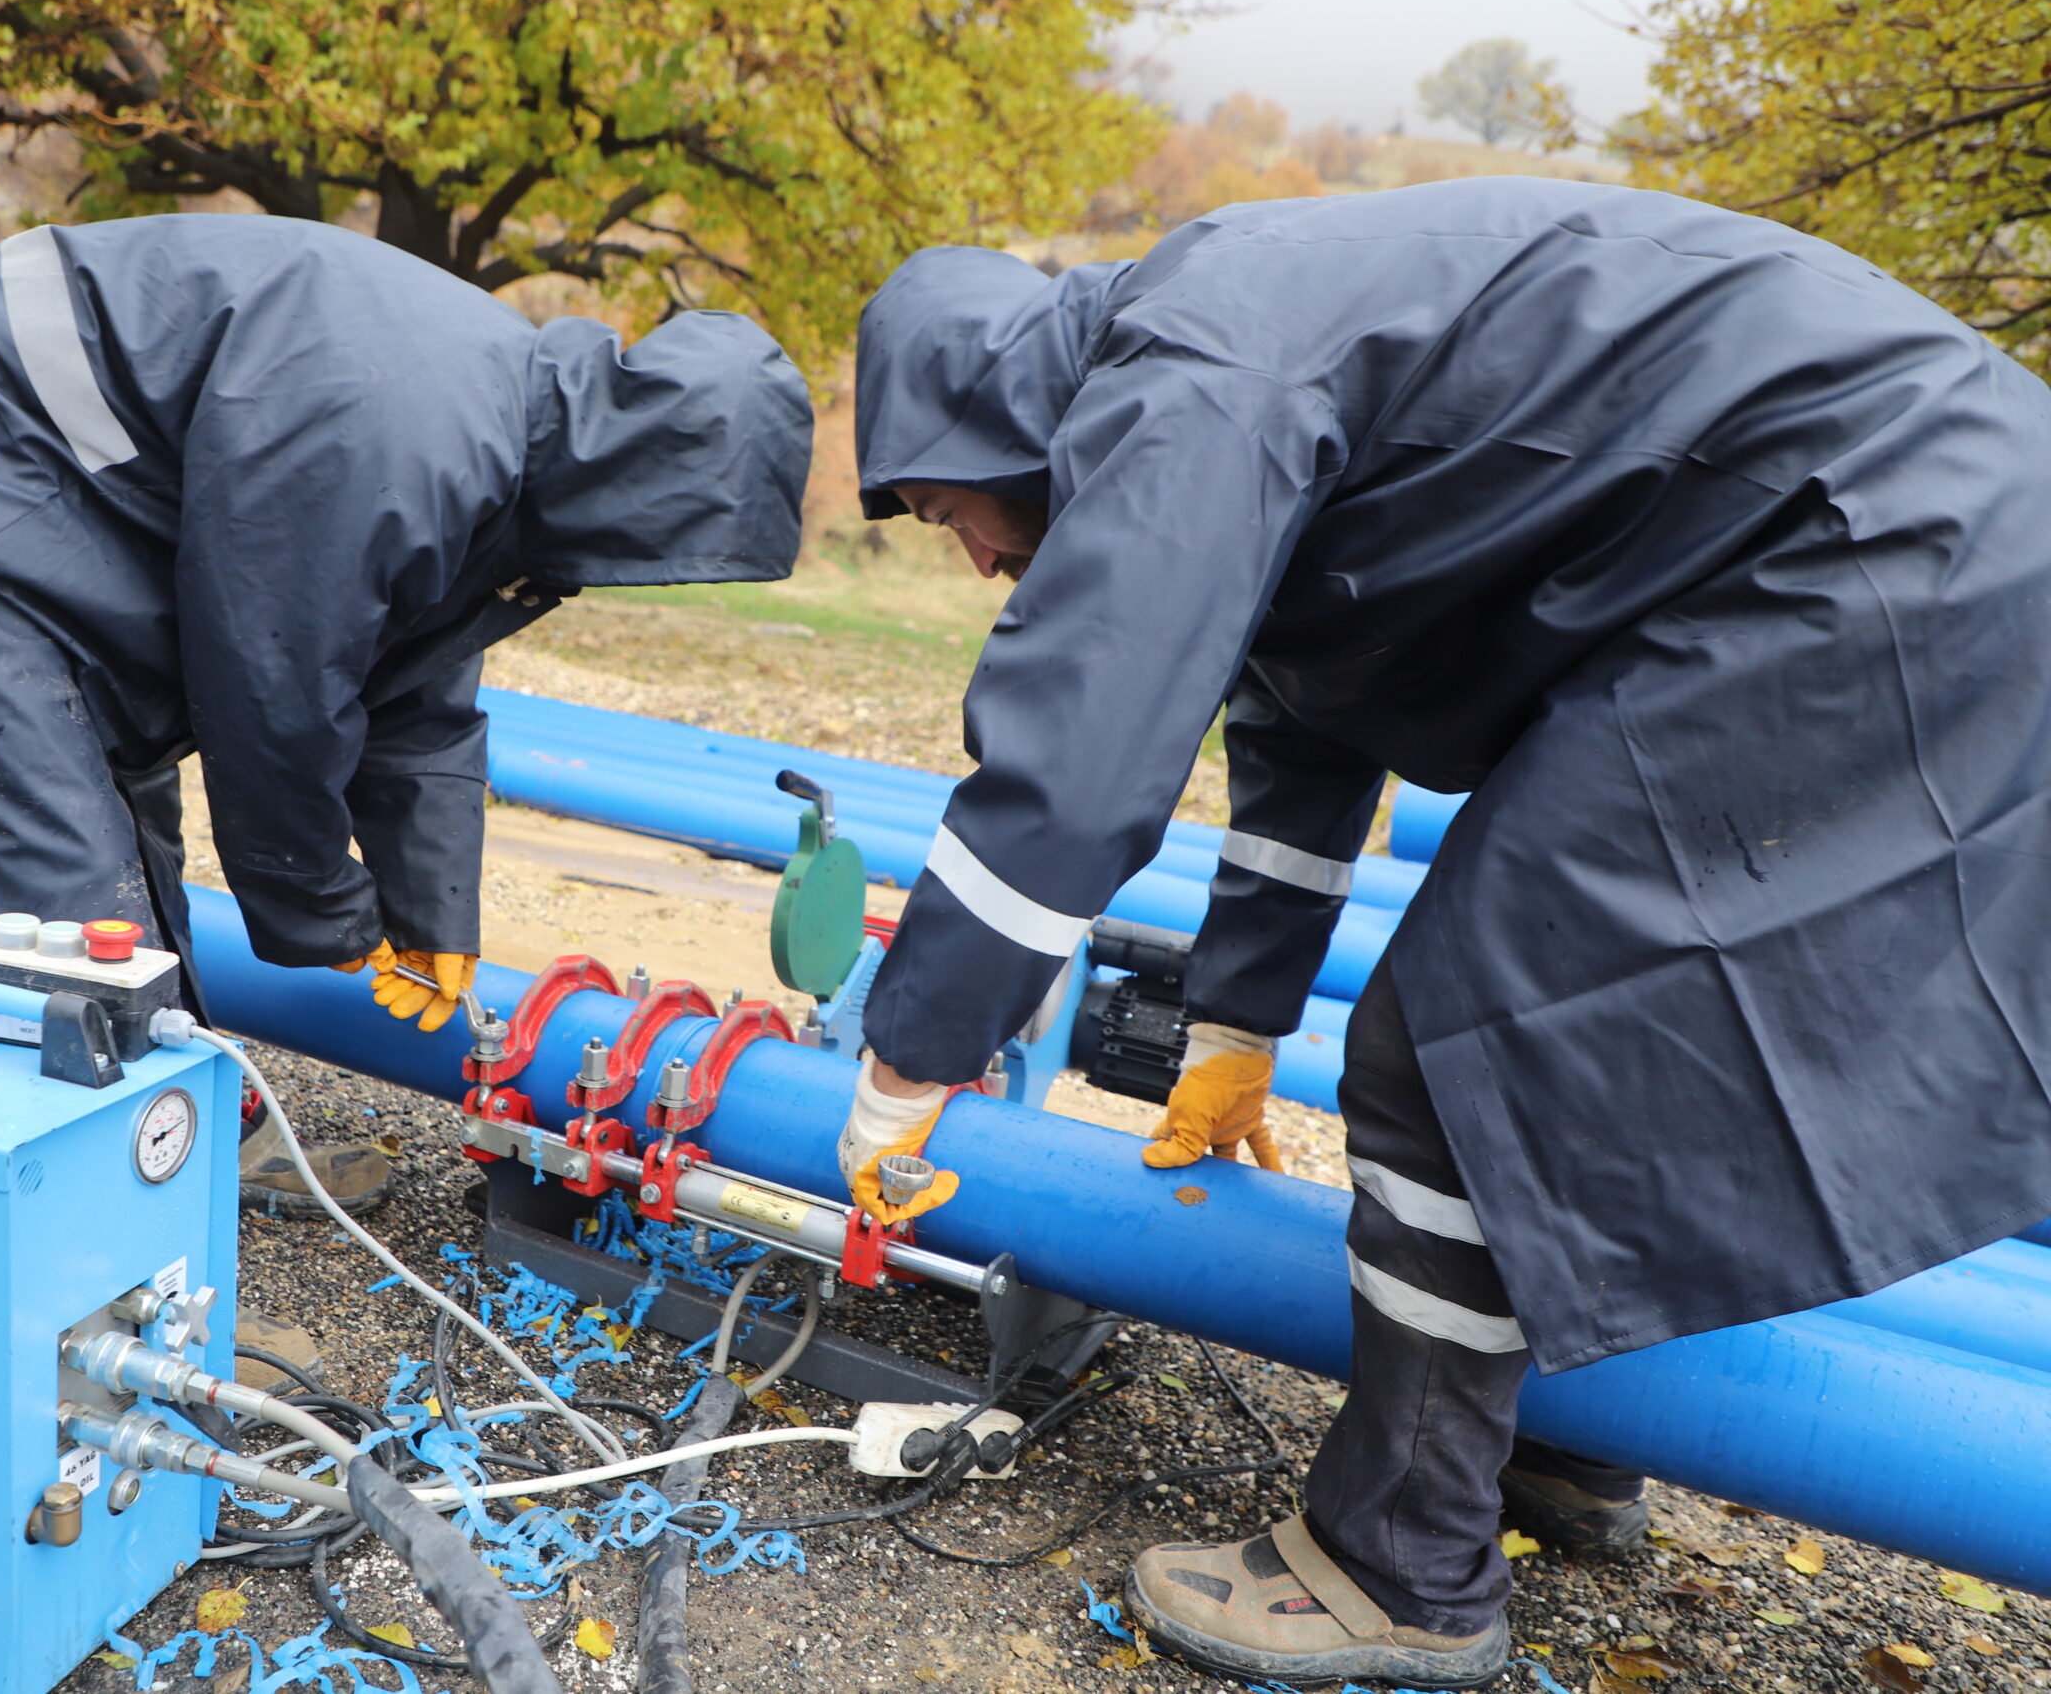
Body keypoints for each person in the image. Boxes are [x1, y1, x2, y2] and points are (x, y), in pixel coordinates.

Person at [835, 178, 2051, 1688]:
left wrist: (906, 1059)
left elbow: (1076, 759)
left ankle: (1400, 1562)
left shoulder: (1190, 381)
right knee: (1610, 1020)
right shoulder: (1225, 357)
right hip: (1919, 523)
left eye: (953, 512)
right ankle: (1562, 1434)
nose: (973, 560)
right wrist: (1236, 1024)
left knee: (1464, 1032)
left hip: (1863, 548)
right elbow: (1300, 720)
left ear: (989, 426)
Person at [0, 214, 813, 1227]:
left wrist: (432, 912)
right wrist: (326, 910)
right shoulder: (411, 426)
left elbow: (414, 687)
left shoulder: (508, 446)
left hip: (53, 478)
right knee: (51, 881)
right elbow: (275, 690)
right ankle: (106, 1261)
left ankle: (183, 1141)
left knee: (117, 852)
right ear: (644, 482)